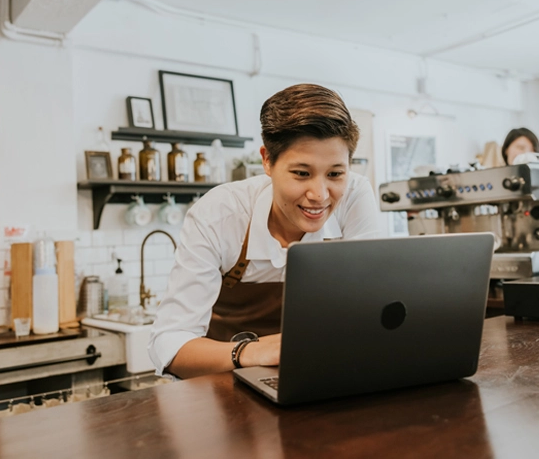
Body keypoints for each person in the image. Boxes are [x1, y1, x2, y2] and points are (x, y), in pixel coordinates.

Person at [148, 84, 380, 379]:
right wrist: (252, 351)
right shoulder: (221, 213)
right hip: (218, 390)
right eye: (301, 173)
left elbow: (369, 308)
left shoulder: (355, 195)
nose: (320, 195)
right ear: (267, 161)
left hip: (314, 379)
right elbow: (169, 345)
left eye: (335, 173)